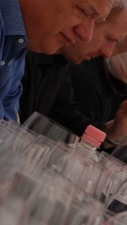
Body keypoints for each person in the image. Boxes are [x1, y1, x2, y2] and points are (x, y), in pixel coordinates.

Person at [20, 8, 127, 144]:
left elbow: (67, 120)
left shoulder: (61, 61)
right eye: (108, 38)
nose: (108, 53)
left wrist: (112, 132)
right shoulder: (27, 49)